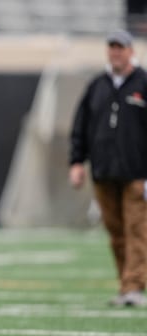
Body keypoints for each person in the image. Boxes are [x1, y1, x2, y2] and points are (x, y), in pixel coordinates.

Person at [69, 29, 147, 308]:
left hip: (137, 173)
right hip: (103, 171)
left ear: (131, 51)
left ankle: (134, 286)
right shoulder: (97, 86)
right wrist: (77, 161)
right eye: (112, 47)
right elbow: (81, 126)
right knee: (116, 233)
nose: (116, 52)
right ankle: (126, 284)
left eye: (120, 47)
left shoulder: (143, 82)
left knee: (137, 229)